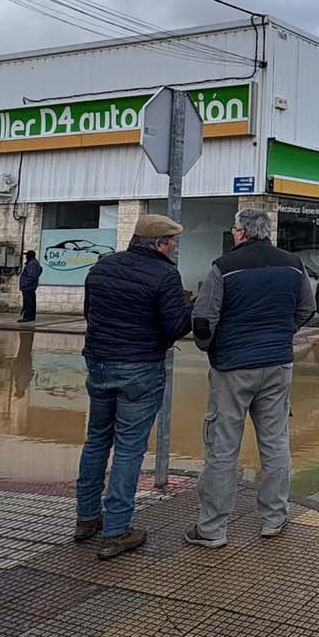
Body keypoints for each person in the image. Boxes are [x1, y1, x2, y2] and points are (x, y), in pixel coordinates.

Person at [185, 208, 314, 548]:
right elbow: (307, 308)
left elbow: (203, 319)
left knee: (223, 445)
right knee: (274, 442)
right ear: (267, 231)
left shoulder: (223, 267)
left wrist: (211, 346)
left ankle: (212, 529)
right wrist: (282, 332)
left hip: (232, 367)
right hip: (277, 364)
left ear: (241, 232)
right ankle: (275, 518)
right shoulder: (293, 264)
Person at [75, 214, 190, 560]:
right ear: (158, 243)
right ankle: (117, 530)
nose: (173, 248)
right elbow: (173, 328)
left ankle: (86, 518)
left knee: (96, 440)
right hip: (140, 368)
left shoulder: (102, 268)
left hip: (99, 363)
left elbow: (89, 313)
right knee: (128, 448)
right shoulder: (165, 274)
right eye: (171, 242)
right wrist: (190, 307)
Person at [17, 250, 42, 323]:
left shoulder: (32, 264)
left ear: (30, 256)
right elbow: (40, 269)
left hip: (28, 287)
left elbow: (32, 276)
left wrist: (25, 283)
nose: (25, 257)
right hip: (30, 286)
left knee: (28, 302)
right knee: (30, 301)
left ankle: (27, 317)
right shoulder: (34, 263)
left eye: (27, 255)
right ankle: (30, 316)